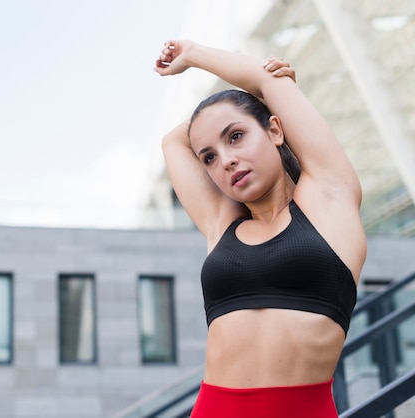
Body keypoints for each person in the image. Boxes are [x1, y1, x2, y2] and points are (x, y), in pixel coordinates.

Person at [154, 40, 367, 417]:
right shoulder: (222, 224)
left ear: (274, 130)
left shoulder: (329, 200)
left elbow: (265, 80)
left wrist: (197, 57)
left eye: (235, 136)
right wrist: (257, 95)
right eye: (209, 157)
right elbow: (173, 142)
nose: (227, 161)